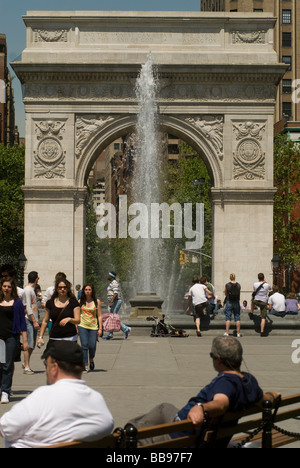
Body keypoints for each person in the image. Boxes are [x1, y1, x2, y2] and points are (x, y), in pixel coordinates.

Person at [127, 336, 280, 447]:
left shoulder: (225, 383)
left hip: (183, 435)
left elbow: (221, 404)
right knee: (164, 408)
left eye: (212, 357)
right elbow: (265, 400)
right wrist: (272, 395)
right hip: (191, 425)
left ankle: (121, 440)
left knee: (136, 435)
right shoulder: (248, 380)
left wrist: (201, 407)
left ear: (218, 359)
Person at [0, 340, 114, 448]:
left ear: (54, 368)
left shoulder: (41, 398)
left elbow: (4, 428)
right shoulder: (96, 399)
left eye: (46, 364)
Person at [0, 277, 29, 404]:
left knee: (7, 365)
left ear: (12, 289)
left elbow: (22, 323)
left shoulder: (17, 303)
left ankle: (5, 391)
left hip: (11, 337)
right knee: (0, 365)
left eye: (9, 287)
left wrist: (25, 340)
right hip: (0, 338)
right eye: (4, 286)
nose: (6, 288)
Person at [37, 278, 80, 347]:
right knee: (49, 357)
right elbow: (45, 321)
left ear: (68, 289)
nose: (62, 289)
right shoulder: (50, 303)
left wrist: (70, 319)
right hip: (54, 337)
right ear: (56, 289)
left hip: (70, 338)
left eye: (65, 287)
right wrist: (40, 337)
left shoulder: (73, 303)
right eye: (60, 287)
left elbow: (78, 320)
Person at [78, 284, 103, 372]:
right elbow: (77, 315)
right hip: (82, 326)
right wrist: (76, 326)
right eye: (86, 289)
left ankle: (91, 358)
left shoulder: (97, 301)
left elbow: (99, 315)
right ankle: (85, 364)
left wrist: (100, 328)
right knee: (84, 345)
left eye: (89, 289)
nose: (87, 291)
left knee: (92, 346)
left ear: (92, 291)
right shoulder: (80, 301)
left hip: (93, 326)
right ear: (83, 291)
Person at [103, 272, 131, 340]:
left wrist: (112, 301)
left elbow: (115, 293)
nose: (108, 276)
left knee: (113, 318)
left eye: (109, 275)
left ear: (112, 276)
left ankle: (126, 329)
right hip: (113, 302)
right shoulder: (112, 283)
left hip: (115, 301)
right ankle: (110, 334)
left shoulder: (114, 283)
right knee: (111, 318)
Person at [23, 271, 40, 375]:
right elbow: (28, 307)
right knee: (29, 344)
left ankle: (26, 362)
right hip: (29, 320)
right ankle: (26, 367)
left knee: (32, 344)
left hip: (32, 319)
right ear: (37, 279)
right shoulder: (27, 290)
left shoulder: (31, 290)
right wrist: (34, 321)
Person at [223, 274, 241, 338]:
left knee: (228, 317)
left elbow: (225, 293)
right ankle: (238, 333)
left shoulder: (227, 285)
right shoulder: (238, 285)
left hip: (229, 301)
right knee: (237, 317)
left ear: (230, 277)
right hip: (236, 302)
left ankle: (227, 332)